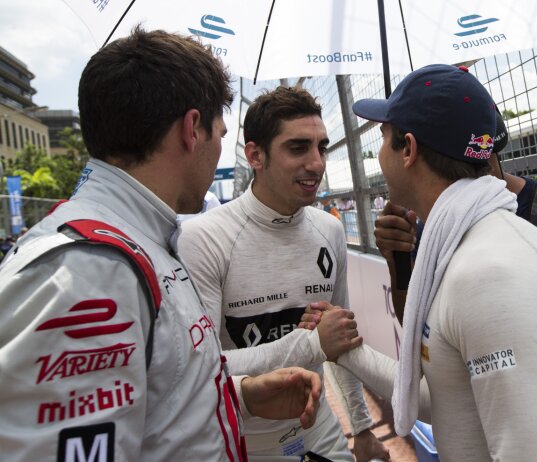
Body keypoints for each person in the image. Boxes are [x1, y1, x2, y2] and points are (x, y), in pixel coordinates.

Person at [0, 28, 325, 461]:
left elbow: (154, 400)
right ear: (193, 129)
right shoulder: (89, 271)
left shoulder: (137, 244)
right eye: (219, 132)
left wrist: (239, 396)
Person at [311, 64, 537, 461]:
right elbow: (450, 396)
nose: (378, 154)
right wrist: (345, 351)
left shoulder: (488, 273)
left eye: (384, 138)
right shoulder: (474, 241)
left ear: (407, 149)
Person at [178, 86, 389, 461]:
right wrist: (311, 343)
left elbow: (340, 343)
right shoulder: (203, 237)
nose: (317, 163)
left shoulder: (330, 230)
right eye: (297, 148)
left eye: (321, 147)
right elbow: (202, 367)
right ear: (255, 155)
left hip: (319, 426)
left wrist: (361, 427)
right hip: (243, 440)